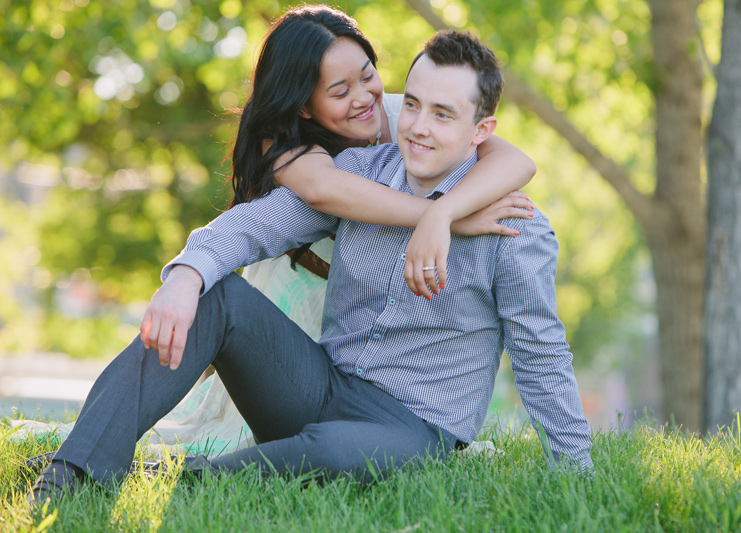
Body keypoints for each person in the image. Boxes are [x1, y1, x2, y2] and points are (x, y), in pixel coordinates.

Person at [29, 28, 592, 505]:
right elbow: (253, 225)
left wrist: (577, 474)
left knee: (331, 454)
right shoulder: (360, 171)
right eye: (413, 104)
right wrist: (185, 276)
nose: (418, 126)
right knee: (215, 296)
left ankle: (153, 478)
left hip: (413, 428)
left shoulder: (516, 228)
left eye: (444, 115)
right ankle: (70, 475)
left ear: (481, 132)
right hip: (320, 386)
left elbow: (540, 352)